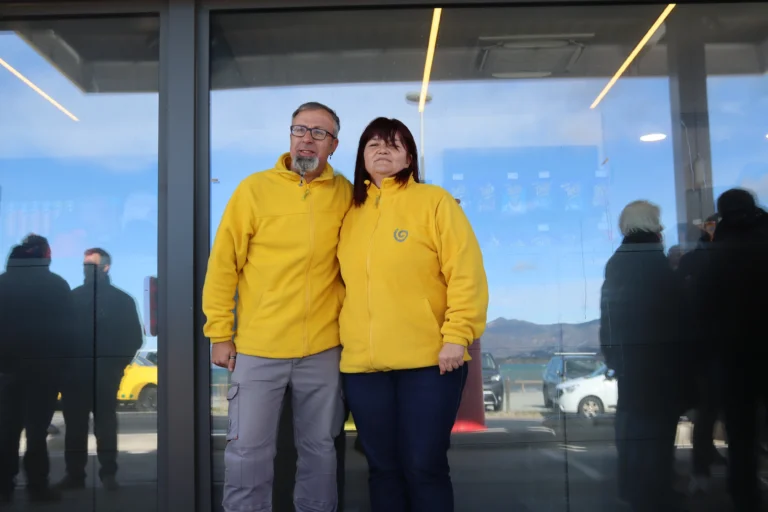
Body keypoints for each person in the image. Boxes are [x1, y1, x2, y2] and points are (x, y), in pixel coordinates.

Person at [203, 102, 351, 512]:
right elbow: (223, 265)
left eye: (319, 133)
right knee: (247, 453)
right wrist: (219, 333)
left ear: (333, 145)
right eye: (299, 129)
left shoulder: (347, 195)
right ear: (289, 136)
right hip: (258, 347)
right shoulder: (254, 189)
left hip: (323, 348)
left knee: (320, 451)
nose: (307, 139)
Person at [337, 117, 489, 512]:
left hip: (430, 363)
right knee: (382, 469)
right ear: (362, 156)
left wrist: (456, 336)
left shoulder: (434, 201)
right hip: (363, 368)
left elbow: (466, 273)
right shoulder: (349, 213)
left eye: (393, 144)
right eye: (373, 144)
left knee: (424, 467)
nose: (382, 150)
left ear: (409, 158)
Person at [599, 201, 687, 512]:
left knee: (633, 428)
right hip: (660, 362)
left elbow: (609, 316)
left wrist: (613, 357)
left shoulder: (618, 261)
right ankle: (656, 492)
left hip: (631, 363)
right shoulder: (654, 260)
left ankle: (634, 487)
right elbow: (674, 313)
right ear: (653, 223)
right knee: (658, 431)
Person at [700, 188, 768, 511]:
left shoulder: (720, 250)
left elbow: (704, 306)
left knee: (741, 435)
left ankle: (745, 496)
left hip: (734, 355)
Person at [57, 248, 144, 492]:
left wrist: (115, 365)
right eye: (85, 264)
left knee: (100, 426)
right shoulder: (79, 297)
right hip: (82, 374)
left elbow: (134, 338)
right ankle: (83, 475)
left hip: (97, 373)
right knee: (80, 427)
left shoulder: (115, 300)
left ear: (106, 267)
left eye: (91, 265)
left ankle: (98, 475)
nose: (86, 269)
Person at [0, 235, 74, 504]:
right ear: (45, 255)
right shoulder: (56, 286)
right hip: (44, 371)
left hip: (6, 371)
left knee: (6, 431)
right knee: (36, 432)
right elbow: (69, 332)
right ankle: (37, 486)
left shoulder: (2, 284)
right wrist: (64, 369)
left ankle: (4, 487)